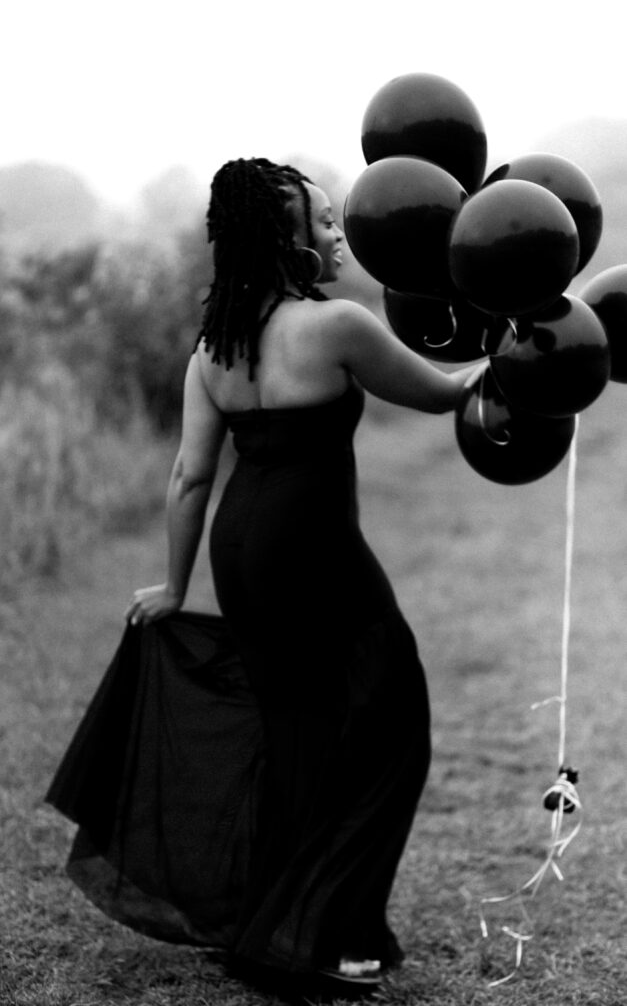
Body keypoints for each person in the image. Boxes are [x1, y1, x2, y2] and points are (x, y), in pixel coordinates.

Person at [47, 157, 477, 993]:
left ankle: (271, 923)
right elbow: (439, 395)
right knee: (390, 721)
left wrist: (174, 587)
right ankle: (324, 935)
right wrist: (516, 362)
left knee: (296, 735)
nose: (335, 232)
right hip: (313, 553)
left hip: (241, 552)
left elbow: (188, 477)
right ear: (285, 236)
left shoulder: (214, 348)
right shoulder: (335, 326)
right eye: (321, 219)